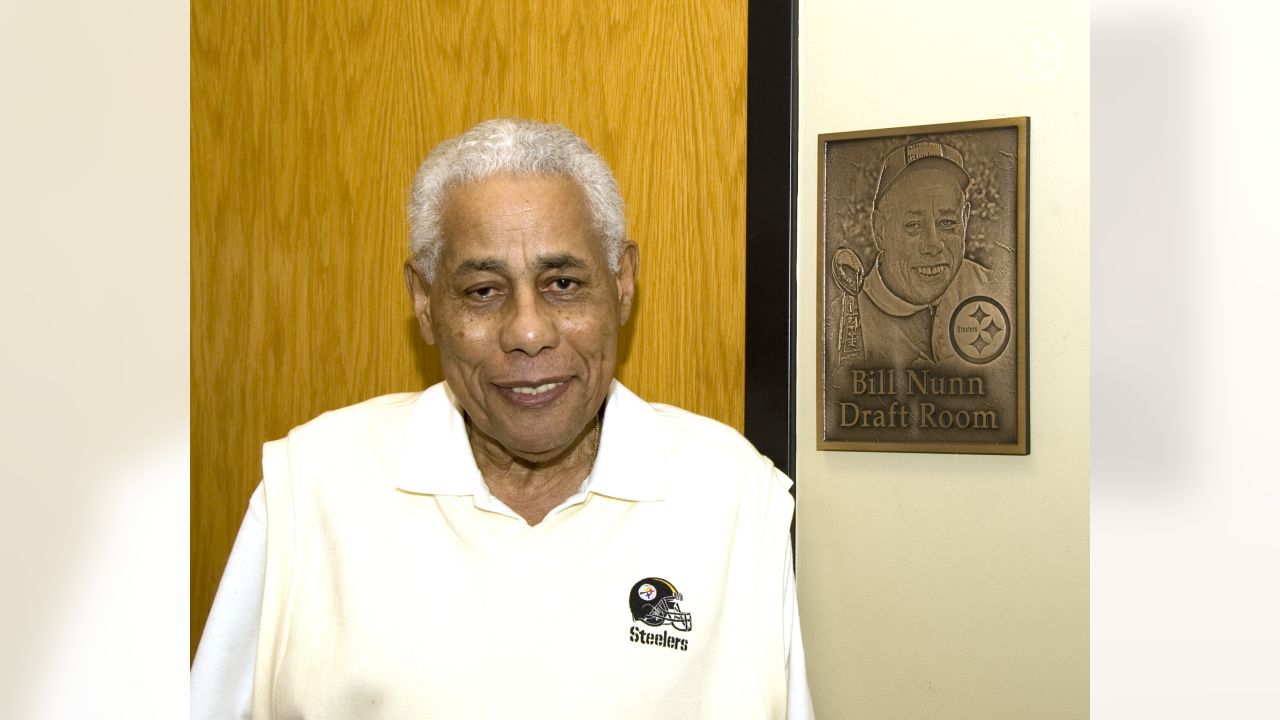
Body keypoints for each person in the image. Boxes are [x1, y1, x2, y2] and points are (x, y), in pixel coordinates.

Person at [191, 118, 813, 719]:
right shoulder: (311, 489)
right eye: (483, 291)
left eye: (564, 282)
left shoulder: (734, 498)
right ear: (424, 301)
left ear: (622, 283)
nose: (528, 332)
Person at [855, 139, 1011, 367]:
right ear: (880, 230)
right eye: (913, 225)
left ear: (965, 221)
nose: (933, 244)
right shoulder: (850, 322)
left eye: (947, 222)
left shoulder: (996, 292)